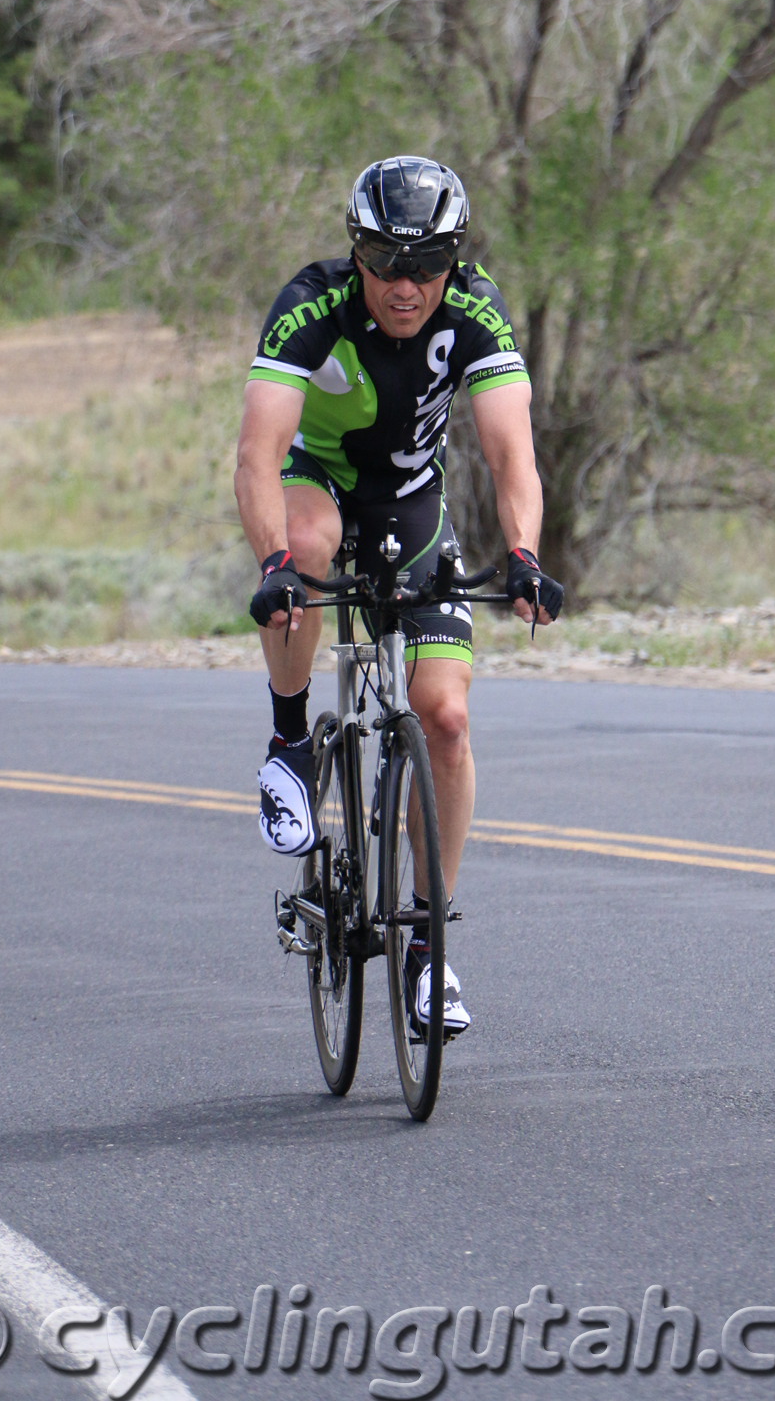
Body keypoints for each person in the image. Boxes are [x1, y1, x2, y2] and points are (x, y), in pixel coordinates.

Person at [234, 155, 563, 1040]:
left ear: (455, 258)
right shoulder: (312, 303)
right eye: (385, 259)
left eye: (428, 261)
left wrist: (525, 553)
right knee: (306, 546)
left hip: (414, 511)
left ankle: (428, 951)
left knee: (444, 719)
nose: (406, 283)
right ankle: (289, 744)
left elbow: (510, 456)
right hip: (319, 487)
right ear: (357, 252)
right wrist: (273, 565)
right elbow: (257, 455)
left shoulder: (474, 308)